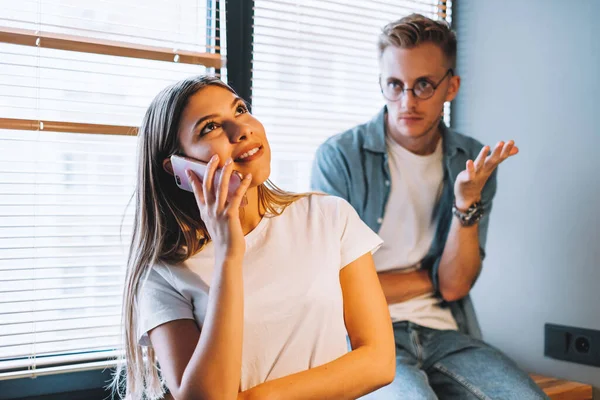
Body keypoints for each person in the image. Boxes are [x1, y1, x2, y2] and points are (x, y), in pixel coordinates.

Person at [111, 75, 395, 400]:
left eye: (241, 110)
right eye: (210, 127)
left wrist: (257, 398)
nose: (242, 130)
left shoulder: (329, 217)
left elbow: (378, 361)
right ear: (179, 169)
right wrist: (229, 256)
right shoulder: (162, 274)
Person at [311, 14, 548, 400]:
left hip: (445, 332)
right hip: (365, 335)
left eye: (423, 85)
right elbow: (329, 287)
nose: (407, 102)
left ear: (450, 86)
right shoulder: (340, 157)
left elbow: (453, 286)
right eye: (394, 85)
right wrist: (427, 278)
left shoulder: (470, 160)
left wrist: (465, 203)